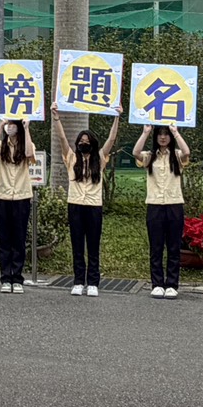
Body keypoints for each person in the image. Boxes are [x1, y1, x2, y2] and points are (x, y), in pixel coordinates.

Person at [51, 102, 120, 297]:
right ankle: (78, 281)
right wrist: (56, 118)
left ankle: (93, 282)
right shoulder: (71, 158)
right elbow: (62, 138)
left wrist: (116, 117)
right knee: (77, 245)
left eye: (87, 141)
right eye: (81, 140)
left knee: (93, 245)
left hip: (94, 207)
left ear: (93, 143)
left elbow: (111, 139)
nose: (84, 143)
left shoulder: (100, 158)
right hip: (75, 205)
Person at [133, 123, 191, 298]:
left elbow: (187, 152)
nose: (163, 137)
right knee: (156, 247)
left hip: (174, 205)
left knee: (174, 247)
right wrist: (146, 132)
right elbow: (136, 152)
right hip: (155, 205)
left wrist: (176, 132)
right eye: (160, 134)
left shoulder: (177, 155)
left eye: (166, 134)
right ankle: (157, 283)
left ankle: (172, 284)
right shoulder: (149, 156)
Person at [0, 118, 36, 294]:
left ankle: (17, 278)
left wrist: (27, 128)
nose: (10, 127)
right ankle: (5, 278)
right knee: (4, 238)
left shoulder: (26, 144)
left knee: (19, 238)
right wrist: (0, 127)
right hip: (2, 195)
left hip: (22, 196)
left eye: (12, 124)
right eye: (8, 124)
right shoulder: (2, 145)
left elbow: (30, 155)